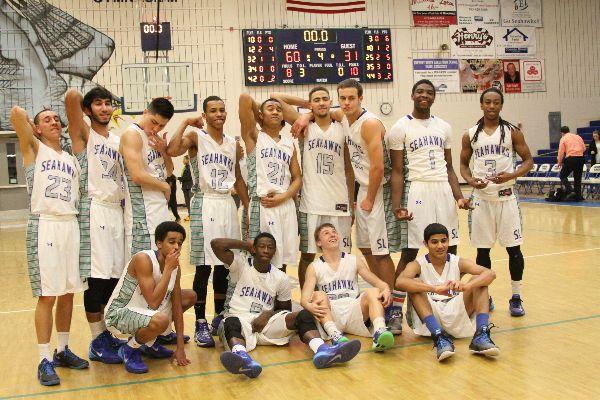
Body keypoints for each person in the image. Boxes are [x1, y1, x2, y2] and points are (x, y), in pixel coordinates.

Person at [292, 79, 400, 327]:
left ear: (361, 98)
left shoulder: (369, 122)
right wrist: (307, 113)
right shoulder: (343, 116)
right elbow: (320, 109)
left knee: (380, 253)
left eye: (352, 98)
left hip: (376, 191)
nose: (347, 102)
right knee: (367, 250)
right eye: (344, 98)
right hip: (362, 192)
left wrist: (369, 198)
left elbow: (378, 166)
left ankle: (392, 309)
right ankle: (380, 303)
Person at [211, 233, 361, 379]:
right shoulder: (240, 265)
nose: (266, 250)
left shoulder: (280, 277)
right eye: (261, 246)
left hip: (266, 325)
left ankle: (322, 350)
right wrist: (246, 245)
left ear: (274, 251)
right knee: (229, 322)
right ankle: (242, 358)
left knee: (303, 315)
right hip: (240, 320)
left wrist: (268, 314)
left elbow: (285, 310)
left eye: (270, 247)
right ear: (254, 249)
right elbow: (216, 244)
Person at [10, 106, 88, 386]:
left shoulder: (71, 159)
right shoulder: (34, 150)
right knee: (47, 295)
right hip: (45, 224)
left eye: (57, 118)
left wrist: (41, 122)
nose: (54, 121)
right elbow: (16, 113)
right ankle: (43, 358)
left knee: (68, 292)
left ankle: (62, 350)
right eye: (47, 119)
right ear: (38, 128)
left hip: (71, 224)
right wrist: (30, 125)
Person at [388, 79, 471, 334]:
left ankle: (452, 303)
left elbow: (449, 168)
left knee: (449, 248)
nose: (424, 95)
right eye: (420, 91)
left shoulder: (444, 126)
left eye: (429, 93)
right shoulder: (400, 127)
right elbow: (398, 171)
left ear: (434, 98)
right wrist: (396, 205)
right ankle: (395, 309)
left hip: (443, 191)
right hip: (419, 190)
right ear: (413, 95)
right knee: (411, 251)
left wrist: (458, 197)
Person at [167, 96, 249, 347]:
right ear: (205, 114)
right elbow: (171, 150)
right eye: (213, 110)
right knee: (203, 266)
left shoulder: (233, 144)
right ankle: (200, 321)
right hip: (204, 202)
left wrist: (246, 208)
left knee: (225, 266)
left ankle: (218, 317)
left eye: (222, 110)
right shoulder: (196, 138)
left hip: (227, 203)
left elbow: (238, 179)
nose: (219, 114)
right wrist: (184, 123)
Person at [64, 87, 127, 365]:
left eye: (108, 104)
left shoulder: (117, 139)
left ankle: (108, 334)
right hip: (94, 210)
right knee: (98, 280)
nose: (105, 108)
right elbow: (70, 97)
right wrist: (83, 100)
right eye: (98, 104)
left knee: (115, 278)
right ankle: (96, 339)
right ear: (88, 110)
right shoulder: (84, 135)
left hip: (117, 211)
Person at [270, 87, 354, 288]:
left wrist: (352, 204)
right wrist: (306, 111)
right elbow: (276, 97)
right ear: (311, 103)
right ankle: (308, 299)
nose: (322, 103)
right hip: (311, 203)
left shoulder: (342, 125)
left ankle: (342, 295)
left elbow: (349, 170)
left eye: (325, 99)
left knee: (343, 255)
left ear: (331, 101)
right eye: (316, 100)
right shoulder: (304, 127)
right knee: (307, 255)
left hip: (339, 203)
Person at [459, 88, 533, 316]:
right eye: (488, 102)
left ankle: (516, 297)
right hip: (481, 199)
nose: (491, 106)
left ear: (501, 105)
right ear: (481, 105)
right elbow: (462, 164)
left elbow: (528, 161)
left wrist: (511, 175)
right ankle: (485, 296)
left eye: (496, 103)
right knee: (483, 252)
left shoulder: (512, 132)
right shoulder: (470, 134)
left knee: (514, 249)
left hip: (506, 197)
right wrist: (470, 180)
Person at [396, 223, 499, 361]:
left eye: (443, 241)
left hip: (454, 310)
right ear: (425, 244)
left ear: (448, 241)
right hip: (429, 313)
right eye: (434, 242)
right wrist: (434, 288)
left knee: (479, 281)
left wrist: (466, 286)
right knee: (416, 285)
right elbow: (400, 282)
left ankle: (481, 335)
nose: (440, 246)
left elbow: (490, 274)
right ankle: (439, 337)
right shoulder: (417, 264)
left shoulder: (457, 261)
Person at [104, 221, 196, 374]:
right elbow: (153, 303)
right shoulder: (143, 259)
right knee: (160, 319)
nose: (176, 247)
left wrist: (180, 348)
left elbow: (177, 306)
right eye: (171, 242)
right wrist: (167, 269)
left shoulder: (175, 267)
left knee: (188, 297)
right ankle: (129, 349)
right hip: (118, 314)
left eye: (180, 243)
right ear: (159, 243)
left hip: (144, 313)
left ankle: (148, 343)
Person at [301, 223, 395, 352]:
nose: (332, 234)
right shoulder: (314, 266)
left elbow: (378, 282)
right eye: (326, 233)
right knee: (319, 295)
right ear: (318, 242)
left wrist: (386, 289)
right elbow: (304, 299)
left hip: (354, 311)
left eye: (334, 232)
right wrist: (309, 306)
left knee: (373, 291)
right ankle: (335, 335)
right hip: (331, 313)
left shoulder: (353, 260)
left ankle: (379, 331)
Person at [238, 93, 302, 269]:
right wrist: (261, 111)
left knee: (282, 260)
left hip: (285, 204)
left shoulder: (289, 143)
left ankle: (280, 296)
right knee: (260, 259)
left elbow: (297, 178)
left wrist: (285, 196)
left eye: (279, 110)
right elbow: (244, 98)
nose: (275, 112)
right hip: (262, 205)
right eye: (270, 109)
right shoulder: (254, 136)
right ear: (260, 115)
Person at [120, 98, 175, 256]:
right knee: (144, 273)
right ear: (145, 112)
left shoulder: (154, 138)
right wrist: (165, 186)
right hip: (143, 219)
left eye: (162, 125)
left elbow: (169, 172)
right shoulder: (132, 135)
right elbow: (137, 176)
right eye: (153, 122)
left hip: (161, 213)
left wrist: (164, 151)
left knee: (163, 271)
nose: (156, 128)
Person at [557, 126, 586, 201]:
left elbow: (561, 152)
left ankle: (571, 190)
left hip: (571, 158)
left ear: (562, 133)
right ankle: (578, 197)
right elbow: (584, 149)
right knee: (577, 178)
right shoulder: (578, 137)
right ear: (569, 130)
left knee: (562, 176)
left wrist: (559, 162)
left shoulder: (563, 138)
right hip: (580, 158)